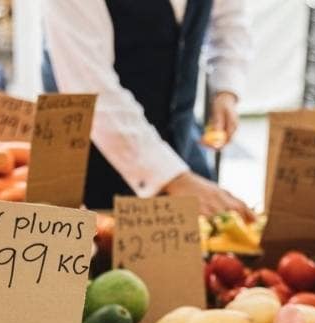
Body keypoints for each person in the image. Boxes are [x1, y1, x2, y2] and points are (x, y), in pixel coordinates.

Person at [42, 0, 251, 215]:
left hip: (177, 140)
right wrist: (173, 177)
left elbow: (229, 20)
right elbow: (89, 86)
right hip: (89, 161)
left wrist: (226, 89)